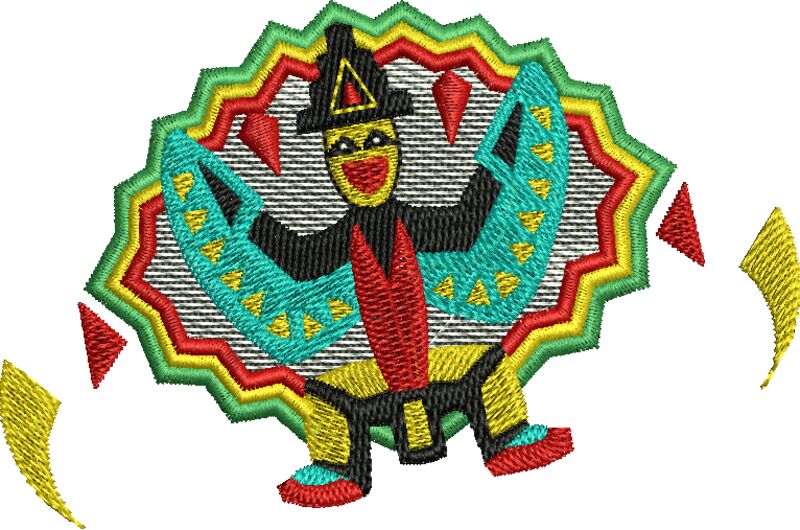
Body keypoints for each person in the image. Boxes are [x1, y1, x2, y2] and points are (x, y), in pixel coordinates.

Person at [205, 24, 573, 507]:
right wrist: (238, 211)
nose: (362, 158)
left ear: (396, 143)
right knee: (326, 396)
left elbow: (472, 221)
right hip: (371, 380)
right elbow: (294, 260)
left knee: (488, 365)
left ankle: (506, 436)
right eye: (343, 147)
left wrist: (505, 148)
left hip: (439, 366)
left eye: (375, 138)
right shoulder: (341, 240)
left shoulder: (420, 226)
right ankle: (339, 466)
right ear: (327, 161)